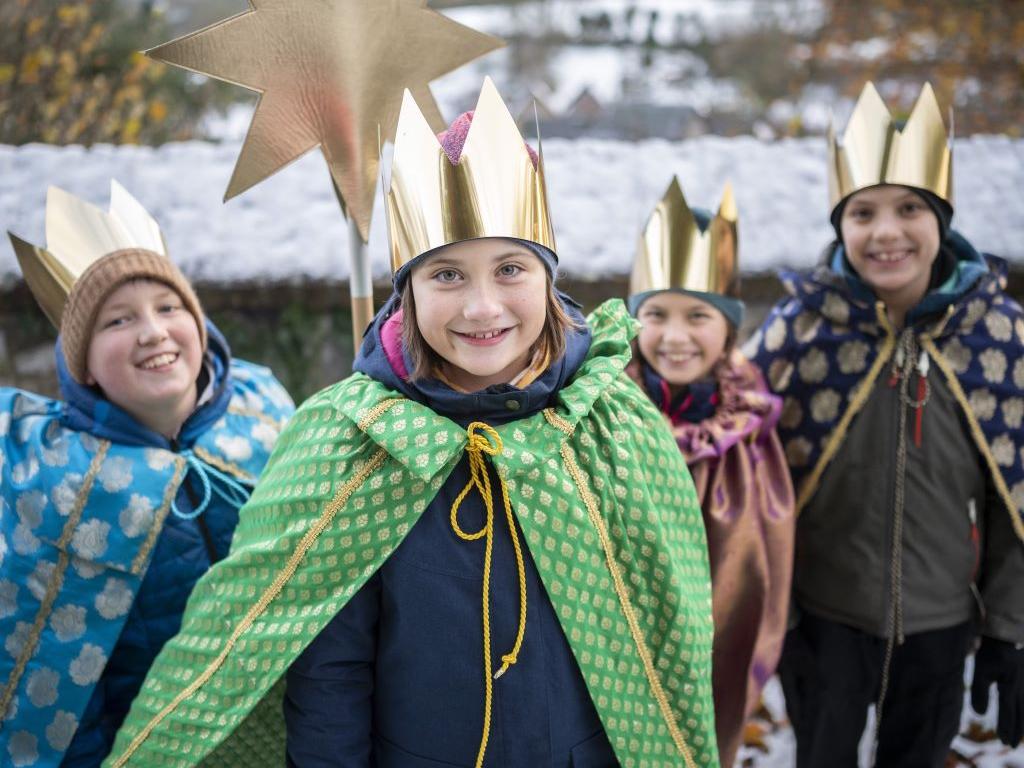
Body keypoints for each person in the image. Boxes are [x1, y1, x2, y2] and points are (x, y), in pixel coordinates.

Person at [103, 78, 719, 768]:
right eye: (447, 275)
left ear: (548, 279)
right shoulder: (351, 441)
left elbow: (663, 634)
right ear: (408, 294)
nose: (482, 308)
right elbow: (326, 672)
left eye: (510, 268)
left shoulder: (610, 423)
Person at [746, 82, 1024, 766]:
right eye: (863, 212)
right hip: (824, 620)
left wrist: (1010, 626)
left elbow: (1017, 492)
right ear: (840, 225)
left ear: (942, 220)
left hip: (941, 625)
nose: (887, 232)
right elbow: (739, 461)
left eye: (910, 208)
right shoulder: (799, 331)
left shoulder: (998, 335)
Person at [0, 182, 294, 766]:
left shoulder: (262, 415)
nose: (153, 332)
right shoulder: (58, 482)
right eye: (117, 320)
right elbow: (52, 670)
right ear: (81, 362)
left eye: (168, 308)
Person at [626, 177, 794, 767]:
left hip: (715, 640)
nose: (674, 337)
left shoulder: (748, 423)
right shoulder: (602, 414)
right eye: (655, 314)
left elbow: (766, 547)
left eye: (698, 315)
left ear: (728, 328)